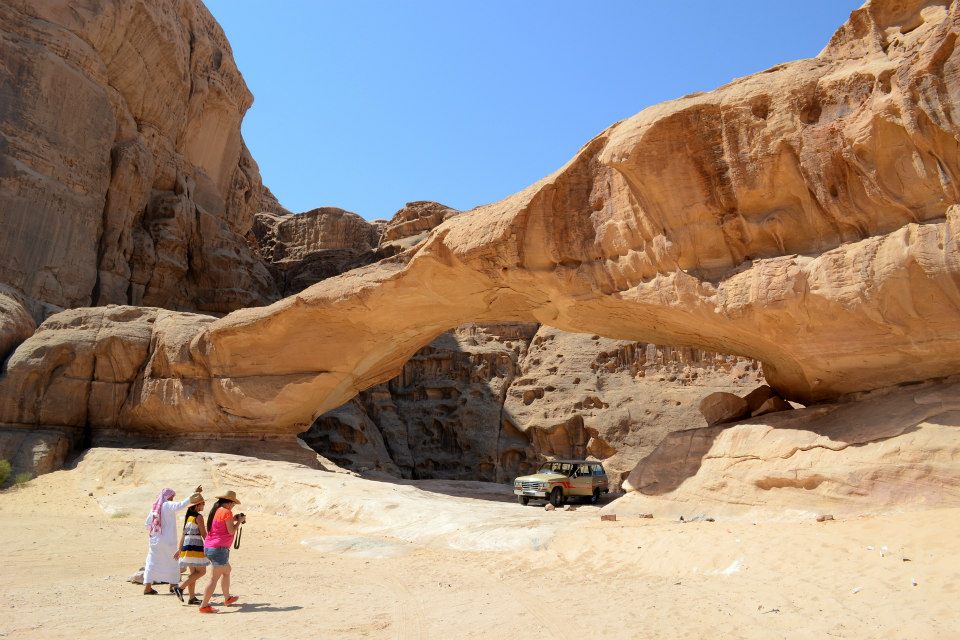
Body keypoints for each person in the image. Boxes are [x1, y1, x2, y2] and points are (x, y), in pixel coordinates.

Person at [143, 486, 203, 596]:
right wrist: (194, 494)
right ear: (168, 497)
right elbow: (180, 505)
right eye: (172, 496)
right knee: (173, 562)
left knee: (151, 562)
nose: (173, 498)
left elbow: (147, 524)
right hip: (168, 540)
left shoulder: (154, 508)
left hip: (155, 541)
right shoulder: (167, 505)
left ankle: (147, 587)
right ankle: (173, 586)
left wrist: (155, 533)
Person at [198, 490, 246, 614]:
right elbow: (231, 531)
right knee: (214, 579)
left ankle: (227, 598)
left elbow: (222, 526)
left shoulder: (217, 511)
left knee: (227, 570)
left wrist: (234, 519)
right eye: (233, 504)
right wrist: (239, 522)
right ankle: (204, 606)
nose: (233, 506)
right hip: (218, 549)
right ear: (229, 503)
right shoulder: (227, 512)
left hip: (211, 546)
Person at [175, 496, 208, 605]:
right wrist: (210, 545)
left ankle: (192, 598)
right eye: (202, 503)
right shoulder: (199, 517)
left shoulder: (188, 517)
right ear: (197, 505)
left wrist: (180, 550)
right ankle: (180, 588)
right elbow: (204, 534)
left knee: (193, 573)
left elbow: (183, 535)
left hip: (187, 547)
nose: (204, 505)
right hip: (195, 546)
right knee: (202, 571)